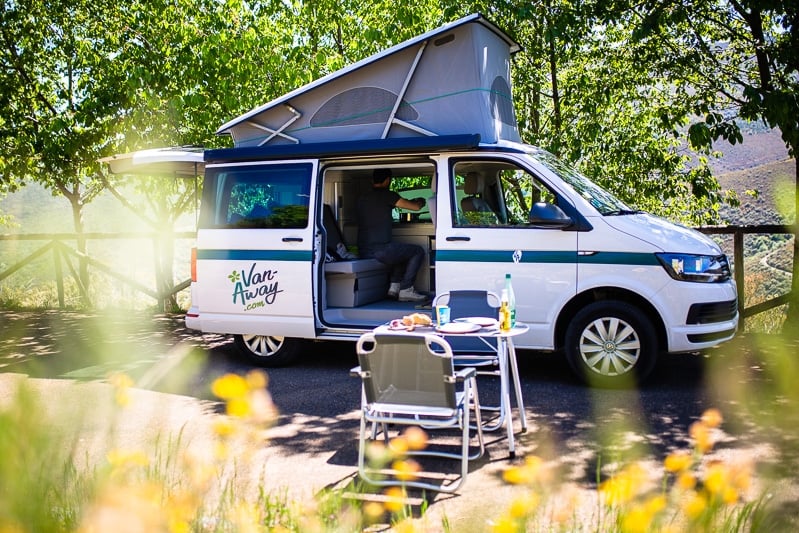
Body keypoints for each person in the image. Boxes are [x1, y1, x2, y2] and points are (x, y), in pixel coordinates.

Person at [357, 168, 428, 302]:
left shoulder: (363, 198)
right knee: (417, 251)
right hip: (380, 250)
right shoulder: (388, 195)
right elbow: (415, 207)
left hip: (364, 250)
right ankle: (406, 289)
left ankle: (394, 288)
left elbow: (380, 206)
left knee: (399, 252)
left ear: (373, 180)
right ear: (388, 180)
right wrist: (420, 201)